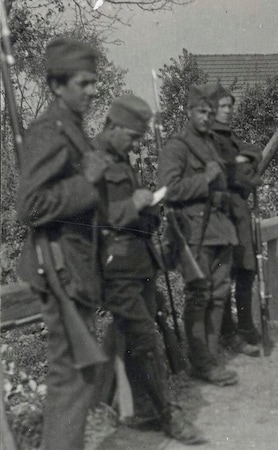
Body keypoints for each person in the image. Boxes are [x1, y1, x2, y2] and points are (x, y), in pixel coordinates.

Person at [15, 36, 108, 450]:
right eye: (83, 83)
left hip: (75, 265)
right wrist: (85, 181)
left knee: (76, 375)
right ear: (56, 85)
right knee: (71, 377)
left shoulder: (71, 128)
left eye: (93, 82)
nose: (92, 91)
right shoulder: (49, 131)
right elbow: (30, 207)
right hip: (59, 269)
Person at [96, 95, 205, 444]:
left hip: (139, 261)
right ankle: (168, 416)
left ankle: (143, 413)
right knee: (145, 339)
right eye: (132, 135)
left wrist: (151, 210)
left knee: (132, 340)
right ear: (112, 126)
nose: (136, 143)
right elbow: (86, 219)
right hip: (115, 268)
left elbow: (129, 215)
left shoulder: (121, 159)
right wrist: (132, 204)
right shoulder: (91, 162)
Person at [157, 83, 240, 386]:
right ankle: (201, 361)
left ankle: (210, 355)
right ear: (189, 111)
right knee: (199, 297)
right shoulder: (177, 147)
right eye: (201, 112)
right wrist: (204, 182)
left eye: (210, 112)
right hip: (195, 232)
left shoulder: (213, 144)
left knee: (219, 295)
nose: (206, 117)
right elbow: (167, 190)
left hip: (220, 230)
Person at [209, 85, 262, 358]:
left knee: (246, 270)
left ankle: (245, 326)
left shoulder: (230, 138)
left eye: (231, 105)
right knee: (225, 274)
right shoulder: (209, 139)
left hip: (239, 214)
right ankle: (228, 333)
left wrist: (243, 162)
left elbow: (253, 151)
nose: (228, 110)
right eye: (223, 106)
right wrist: (242, 171)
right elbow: (230, 174)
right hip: (222, 215)